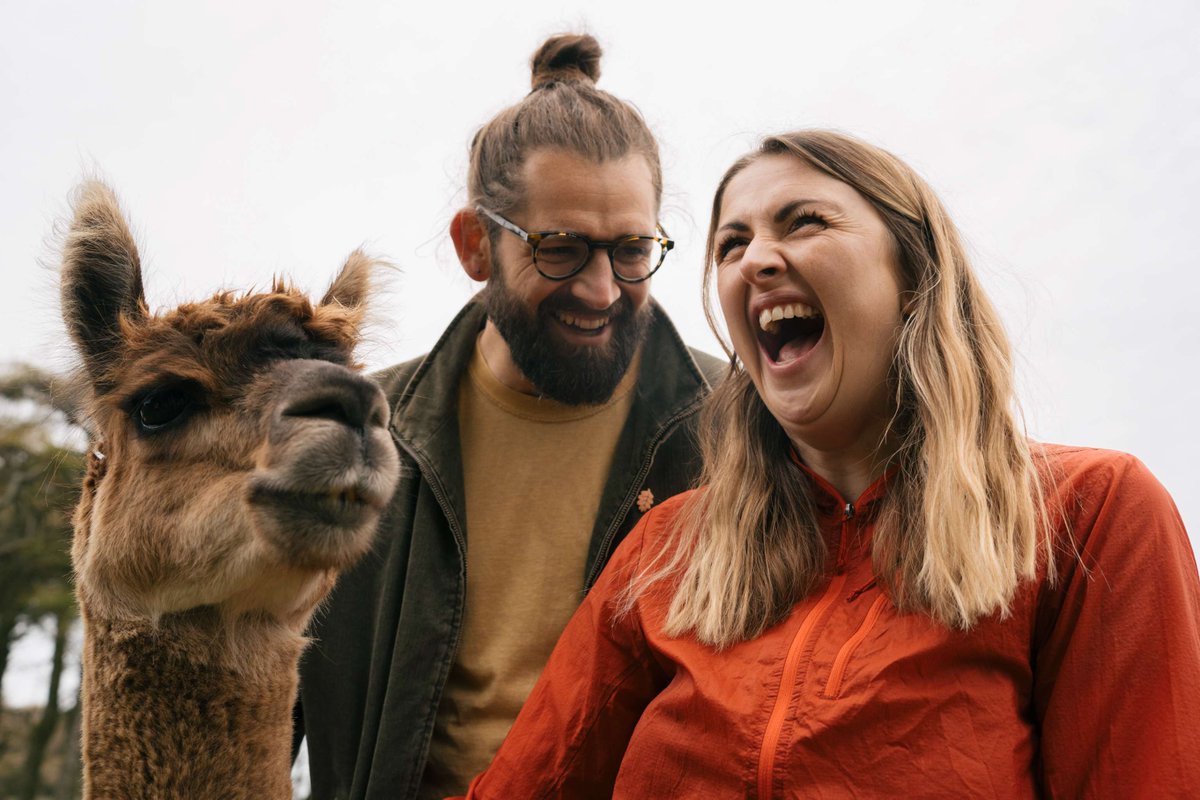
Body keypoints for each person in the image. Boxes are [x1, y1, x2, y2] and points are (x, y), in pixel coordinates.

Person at [456, 130, 1200, 798]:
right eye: (731, 244)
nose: (755, 259)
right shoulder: (665, 551)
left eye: (804, 222)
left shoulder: (1090, 514)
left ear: (914, 277)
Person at [293, 34, 724, 800]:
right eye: (560, 249)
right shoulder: (355, 437)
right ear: (475, 246)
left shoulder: (741, 429)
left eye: (631, 250)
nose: (601, 289)